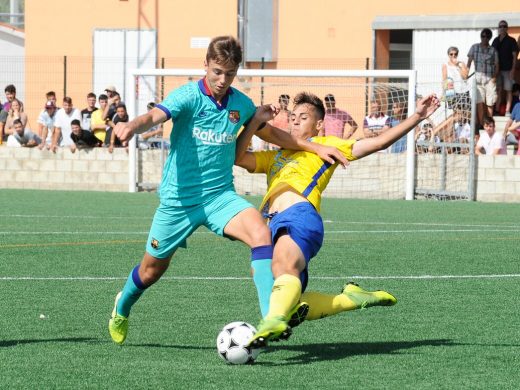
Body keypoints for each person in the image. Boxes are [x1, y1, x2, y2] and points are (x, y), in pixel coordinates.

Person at [107, 35, 346, 345]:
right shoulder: (188, 97)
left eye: (230, 73)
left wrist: (312, 147)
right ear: (205, 65)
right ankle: (122, 305)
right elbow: (154, 115)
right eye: (217, 71)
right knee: (151, 270)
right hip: (179, 201)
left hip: (220, 196)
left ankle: (269, 319)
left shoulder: (241, 104)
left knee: (261, 233)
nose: (222, 80)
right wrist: (131, 126)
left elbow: (275, 135)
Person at [233, 92, 440, 346]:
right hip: (272, 225)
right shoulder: (276, 155)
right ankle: (350, 298)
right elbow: (238, 157)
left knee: (282, 267)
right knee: (290, 299)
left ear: (319, 125)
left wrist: (417, 117)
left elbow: (377, 143)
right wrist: (253, 122)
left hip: (300, 216)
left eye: (303, 117)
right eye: (292, 117)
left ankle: (273, 320)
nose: (295, 122)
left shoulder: (326, 146)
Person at [467, 29, 499, 128]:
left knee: (490, 103)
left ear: (489, 38)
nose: (484, 38)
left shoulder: (493, 50)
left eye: (487, 36)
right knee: (479, 103)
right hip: (478, 80)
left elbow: (497, 65)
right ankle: (482, 124)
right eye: (483, 36)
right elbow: (469, 62)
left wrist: (494, 77)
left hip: (489, 79)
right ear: (481, 36)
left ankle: (490, 124)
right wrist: (466, 75)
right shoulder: (474, 47)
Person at [492, 20, 519, 116]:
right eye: (500, 26)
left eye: (504, 26)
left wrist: (513, 69)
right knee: (498, 90)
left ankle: (507, 111)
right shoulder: (495, 40)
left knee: (508, 90)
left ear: (507, 28)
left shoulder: (511, 40)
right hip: (497, 71)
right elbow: (491, 55)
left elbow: (515, 56)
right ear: (498, 29)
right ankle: (497, 110)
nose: (502, 28)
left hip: (508, 70)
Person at [442, 46, 470, 123]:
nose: (453, 56)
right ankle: (457, 128)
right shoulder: (445, 65)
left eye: (455, 54)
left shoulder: (461, 64)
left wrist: (458, 66)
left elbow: (465, 77)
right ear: (448, 55)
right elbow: (444, 80)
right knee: (456, 112)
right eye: (451, 54)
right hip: (451, 91)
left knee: (466, 112)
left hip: (463, 90)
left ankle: (465, 128)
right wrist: (444, 92)